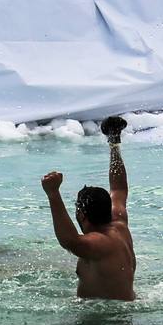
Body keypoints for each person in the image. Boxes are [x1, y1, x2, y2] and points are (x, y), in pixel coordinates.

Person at [41, 116, 135, 302]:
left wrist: (53, 194)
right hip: (119, 313)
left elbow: (69, 240)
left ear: (82, 214)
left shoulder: (99, 243)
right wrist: (114, 142)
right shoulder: (119, 224)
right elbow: (118, 187)